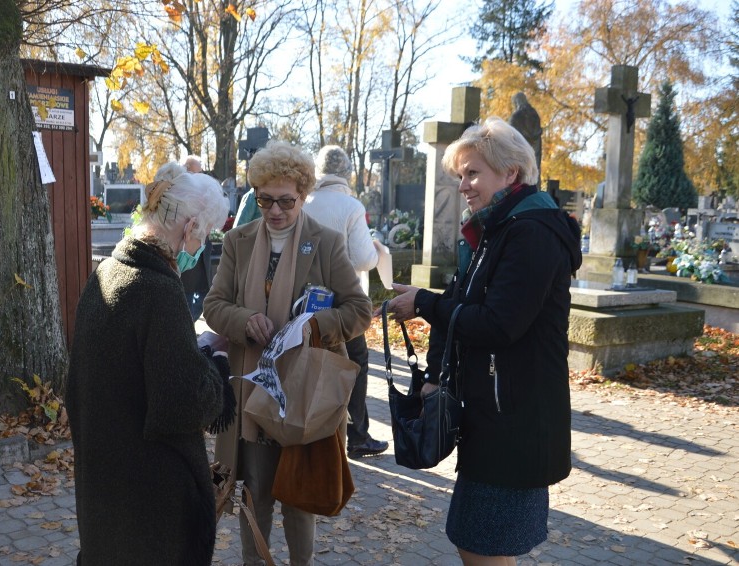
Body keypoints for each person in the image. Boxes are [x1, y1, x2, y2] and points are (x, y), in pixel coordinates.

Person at [380, 117, 581, 565]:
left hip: (517, 419)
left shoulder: (532, 233)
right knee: (477, 542)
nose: (464, 185)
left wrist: (426, 305)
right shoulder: (493, 230)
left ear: (510, 173)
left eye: (473, 173)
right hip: (492, 415)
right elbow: (459, 303)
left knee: (482, 545)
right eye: (460, 175)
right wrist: (434, 376)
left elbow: (498, 324)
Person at [203, 140, 372, 566]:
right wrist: (244, 320)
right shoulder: (238, 241)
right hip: (252, 398)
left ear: (302, 192)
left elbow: (359, 310)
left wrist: (313, 326)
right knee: (255, 492)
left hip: (304, 394)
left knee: (298, 497)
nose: (275, 211)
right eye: (265, 200)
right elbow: (213, 304)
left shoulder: (327, 242)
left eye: (286, 201)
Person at [66, 164, 231, 565]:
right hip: (149, 508)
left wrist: (189, 352)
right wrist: (217, 365)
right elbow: (182, 403)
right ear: (190, 227)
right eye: (206, 234)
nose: (202, 245)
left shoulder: (107, 271)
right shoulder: (159, 290)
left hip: (104, 489)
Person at [304, 145, 389, 459]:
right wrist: (378, 249)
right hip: (345, 299)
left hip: (307, 298)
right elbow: (364, 259)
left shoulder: (305, 202)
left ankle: (312, 429)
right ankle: (357, 435)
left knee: (311, 361)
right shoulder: (351, 206)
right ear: (348, 172)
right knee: (355, 365)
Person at [156, 162, 214, 320]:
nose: (198, 179)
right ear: (189, 229)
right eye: (193, 174)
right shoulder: (162, 292)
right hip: (184, 284)